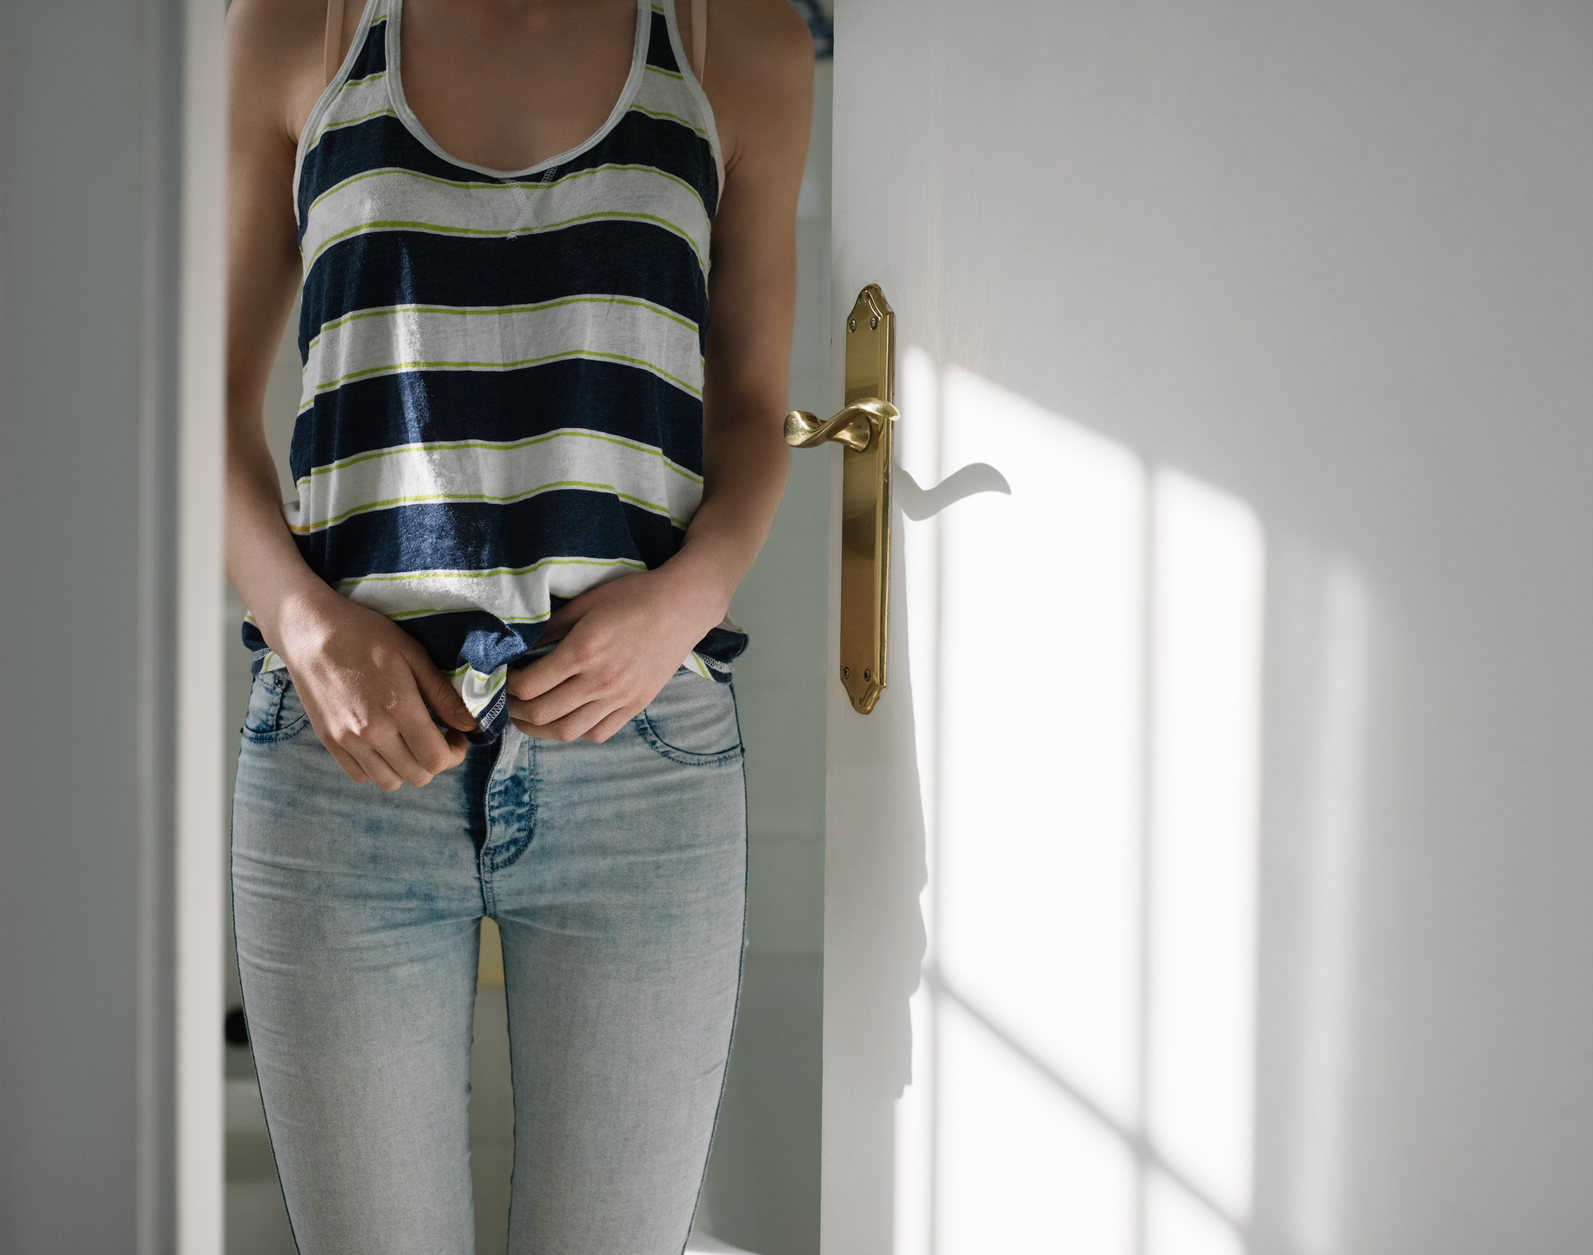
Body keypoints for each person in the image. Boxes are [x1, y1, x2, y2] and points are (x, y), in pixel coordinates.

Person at [224, 0, 812, 1249]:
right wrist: (305, 629)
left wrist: (686, 599)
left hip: (643, 761)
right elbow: (189, 404)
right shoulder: (298, 29)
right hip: (344, 768)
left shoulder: (733, 44)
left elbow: (756, 412)